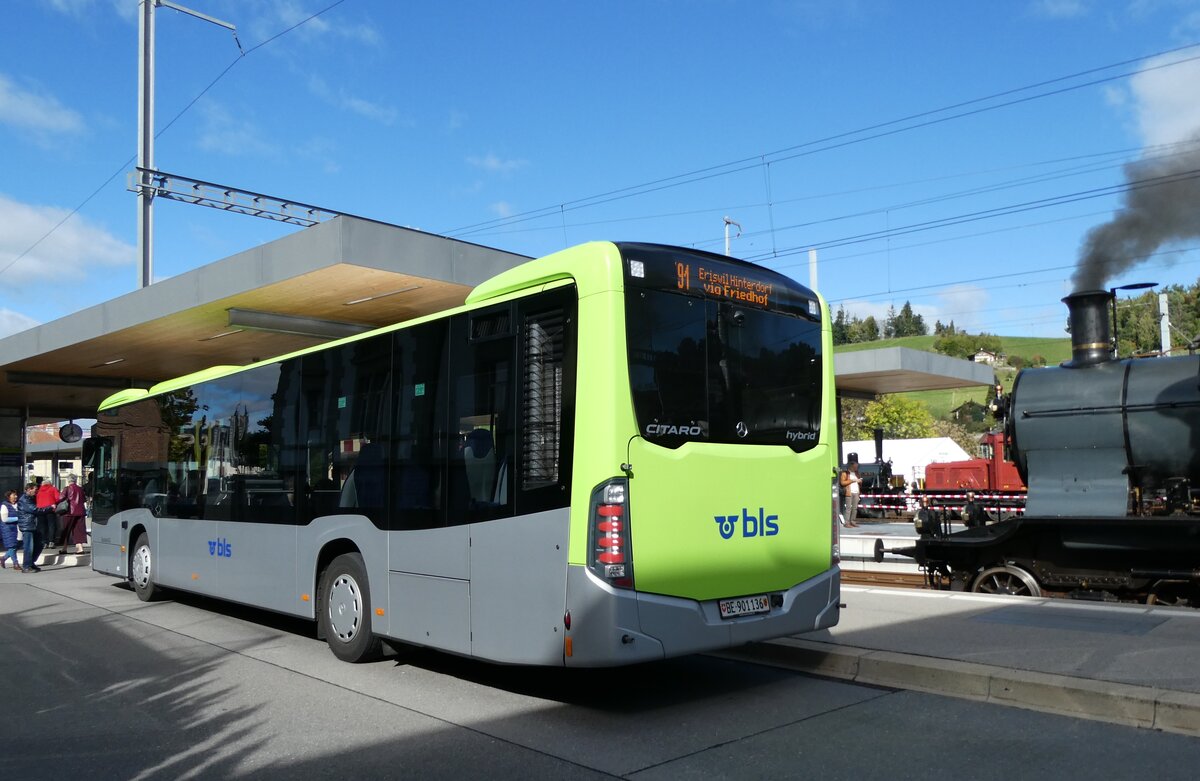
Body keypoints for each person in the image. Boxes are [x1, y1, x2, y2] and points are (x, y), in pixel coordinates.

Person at [58, 474, 87, 555]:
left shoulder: (67, 488)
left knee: (67, 530)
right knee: (79, 530)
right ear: (76, 480)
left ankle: (64, 548)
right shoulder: (81, 489)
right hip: (80, 512)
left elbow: (61, 498)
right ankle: (80, 548)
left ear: (68, 480)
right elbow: (84, 499)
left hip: (69, 512)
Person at [17, 482, 42, 573]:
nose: (36, 491)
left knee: (39, 544)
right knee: (29, 547)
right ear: (29, 489)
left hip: (33, 525)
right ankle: (26, 566)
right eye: (35, 489)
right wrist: (50, 508)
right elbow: (34, 509)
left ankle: (31, 563)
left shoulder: (32, 498)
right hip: (27, 526)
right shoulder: (24, 499)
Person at [35, 477, 62, 551]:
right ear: (50, 484)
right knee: (51, 526)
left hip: (40, 509)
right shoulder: (53, 489)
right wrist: (55, 503)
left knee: (42, 526)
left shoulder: (39, 490)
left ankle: (44, 542)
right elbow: (58, 498)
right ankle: (51, 542)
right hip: (50, 509)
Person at [839, 456, 862, 528]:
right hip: (849, 492)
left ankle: (853, 521)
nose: (856, 467)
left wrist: (860, 481)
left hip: (856, 492)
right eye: (855, 465)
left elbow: (859, 483)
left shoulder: (857, 473)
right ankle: (847, 522)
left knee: (854, 508)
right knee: (848, 508)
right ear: (851, 465)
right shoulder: (845, 473)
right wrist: (853, 480)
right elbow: (842, 483)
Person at [1, 489, 20, 569]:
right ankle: (15, 563)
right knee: (12, 546)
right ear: (9, 496)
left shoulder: (17, 505)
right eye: (13, 495)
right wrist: (18, 518)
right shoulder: (4, 506)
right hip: (8, 529)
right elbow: (4, 519)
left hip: (17, 529)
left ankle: (3, 558)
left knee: (17, 546)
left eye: (16, 495)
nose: (15, 496)